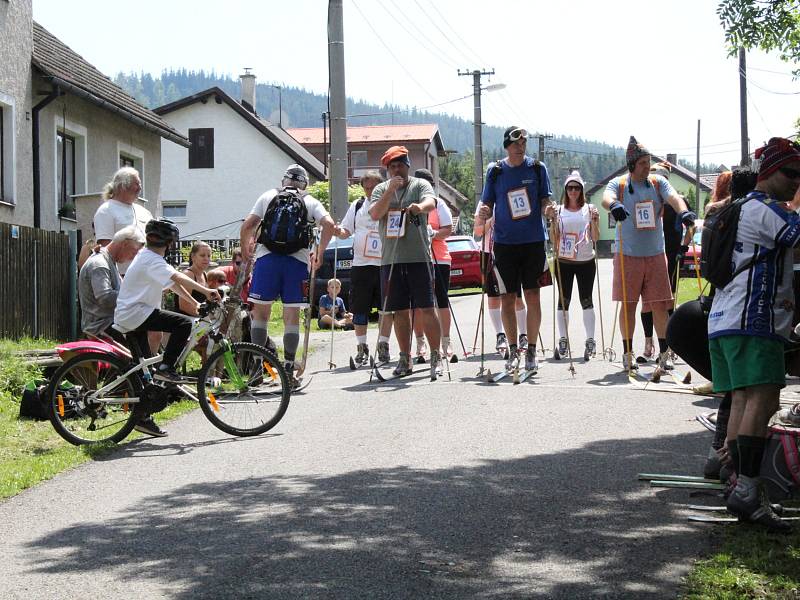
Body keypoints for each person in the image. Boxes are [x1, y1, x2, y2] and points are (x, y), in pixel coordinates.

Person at [707, 137, 800, 531]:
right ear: (769, 173)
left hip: (726, 319)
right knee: (763, 398)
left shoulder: (738, 207)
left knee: (744, 398)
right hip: (753, 318)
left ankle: (735, 480)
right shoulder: (764, 210)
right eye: (791, 174)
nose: (796, 181)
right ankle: (747, 486)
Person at [113, 219, 221, 436]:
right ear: (170, 243)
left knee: (144, 370)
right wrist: (206, 291)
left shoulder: (149, 258)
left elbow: (172, 284)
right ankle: (167, 369)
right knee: (182, 323)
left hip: (135, 315)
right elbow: (176, 276)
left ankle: (141, 418)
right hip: (136, 314)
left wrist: (196, 303)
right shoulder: (152, 260)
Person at [602, 136, 695, 372]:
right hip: (628, 254)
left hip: (655, 253)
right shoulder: (620, 184)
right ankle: (628, 353)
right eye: (643, 162)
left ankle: (664, 354)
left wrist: (684, 213)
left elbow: (674, 198)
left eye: (648, 161)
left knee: (659, 305)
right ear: (632, 164)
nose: (647, 166)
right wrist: (614, 205)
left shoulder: (656, 183)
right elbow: (606, 197)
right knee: (629, 304)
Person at [239, 164, 335, 382]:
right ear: (304, 183)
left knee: (260, 315)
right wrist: (319, 253)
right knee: (291, 318)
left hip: (267, 259)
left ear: (284, 181)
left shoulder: (268, 196)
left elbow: (248, 225)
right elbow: (328, 224)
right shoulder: (309, 200)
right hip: (297, 262)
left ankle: (256, 368)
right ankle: (289, 370)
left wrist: (246, 247)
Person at [478, 126, 553, 374]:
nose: (521, 146)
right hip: (504, 243)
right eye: (517, 142)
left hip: (532, 242)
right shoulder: (496, 170)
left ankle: (530, 349)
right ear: (507, 145)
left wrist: (548, 210)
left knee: (533, 296)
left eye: (524, 142)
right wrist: (485, 212)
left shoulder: (537, 168)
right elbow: (487, 202)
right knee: (507, 298)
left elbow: (545, 200)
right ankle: (512, 349)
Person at [368, 146, 442, 378]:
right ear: (387, 170)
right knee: (399, 311)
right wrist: (390, 191)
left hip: (419, 257)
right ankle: (404, 357)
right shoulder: (381, 189)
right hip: (391, 260)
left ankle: (436, 355)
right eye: (392, 166)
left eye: (400, 164)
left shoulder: (419, 185)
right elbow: (374, 214)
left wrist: (419, 207)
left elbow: (431, 201)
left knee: (427, 308)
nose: (397, 169)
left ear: (408, 165)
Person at [338, 171, 394, 365]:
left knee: (385, 308)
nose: (369, 191)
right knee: (359, 309)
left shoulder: (389, 202)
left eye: (373, 187)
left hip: (383, 263)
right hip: (361, 264)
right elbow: (346, 230)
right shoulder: (357, 205)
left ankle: (384, 346)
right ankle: (361, 347)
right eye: (366, 187)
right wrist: (337, 230)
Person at [637, 162, 690, 364]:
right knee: (647, 302)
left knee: (667, 301)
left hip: (672, 253)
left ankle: (669, 346)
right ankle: (648, 344)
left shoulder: (678, 201)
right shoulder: (646, 200)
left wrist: (684, 248)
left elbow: (690, 227)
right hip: (650, 253)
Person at [550, 170, 600, 360]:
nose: (573, 191)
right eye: (570, 188)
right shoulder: (559, 211)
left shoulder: (590, 209)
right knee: (563, 300)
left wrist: (595, 221)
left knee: (586, 299)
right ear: (565, 190)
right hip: (564, 261)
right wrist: (553, 222)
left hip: (586, 261)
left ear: (581, 190)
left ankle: (590, 340)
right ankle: (563, 340)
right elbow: (554, 240)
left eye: (576, 188)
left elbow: (595, 237)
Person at [473, 206, 527, 358]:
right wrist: (491, 221)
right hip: (488, 252)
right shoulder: (485, 203)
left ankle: (523, 335)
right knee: (493, 296)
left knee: (516, 296)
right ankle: (500, 335)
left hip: (509, 250)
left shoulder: (509, 195)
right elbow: (477, 231)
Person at [411, 168, 454, 360]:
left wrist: (433, 234)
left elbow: (448, 228)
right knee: (418, 303)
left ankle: (446, 341)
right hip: (416, 257)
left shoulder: (439, 203)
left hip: (439, 257)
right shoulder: (410, 203)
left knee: (441, 300)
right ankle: (421, 343)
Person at [78, 225, 144, 341]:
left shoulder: (109, 261)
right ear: (124, 244)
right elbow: (105, 298)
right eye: (134, 252)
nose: (133, 257)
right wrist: (136, 295)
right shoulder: (99, 264)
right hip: (101, 327)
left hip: (110, 323)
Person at [93, 167, 153, 274]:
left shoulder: (145, 212)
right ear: (122, 186)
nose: (140, 188)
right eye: (137, 184)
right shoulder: (106, 210)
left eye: (140, 184)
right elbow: (105, 248)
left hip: (146, 274)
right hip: (121, 275)